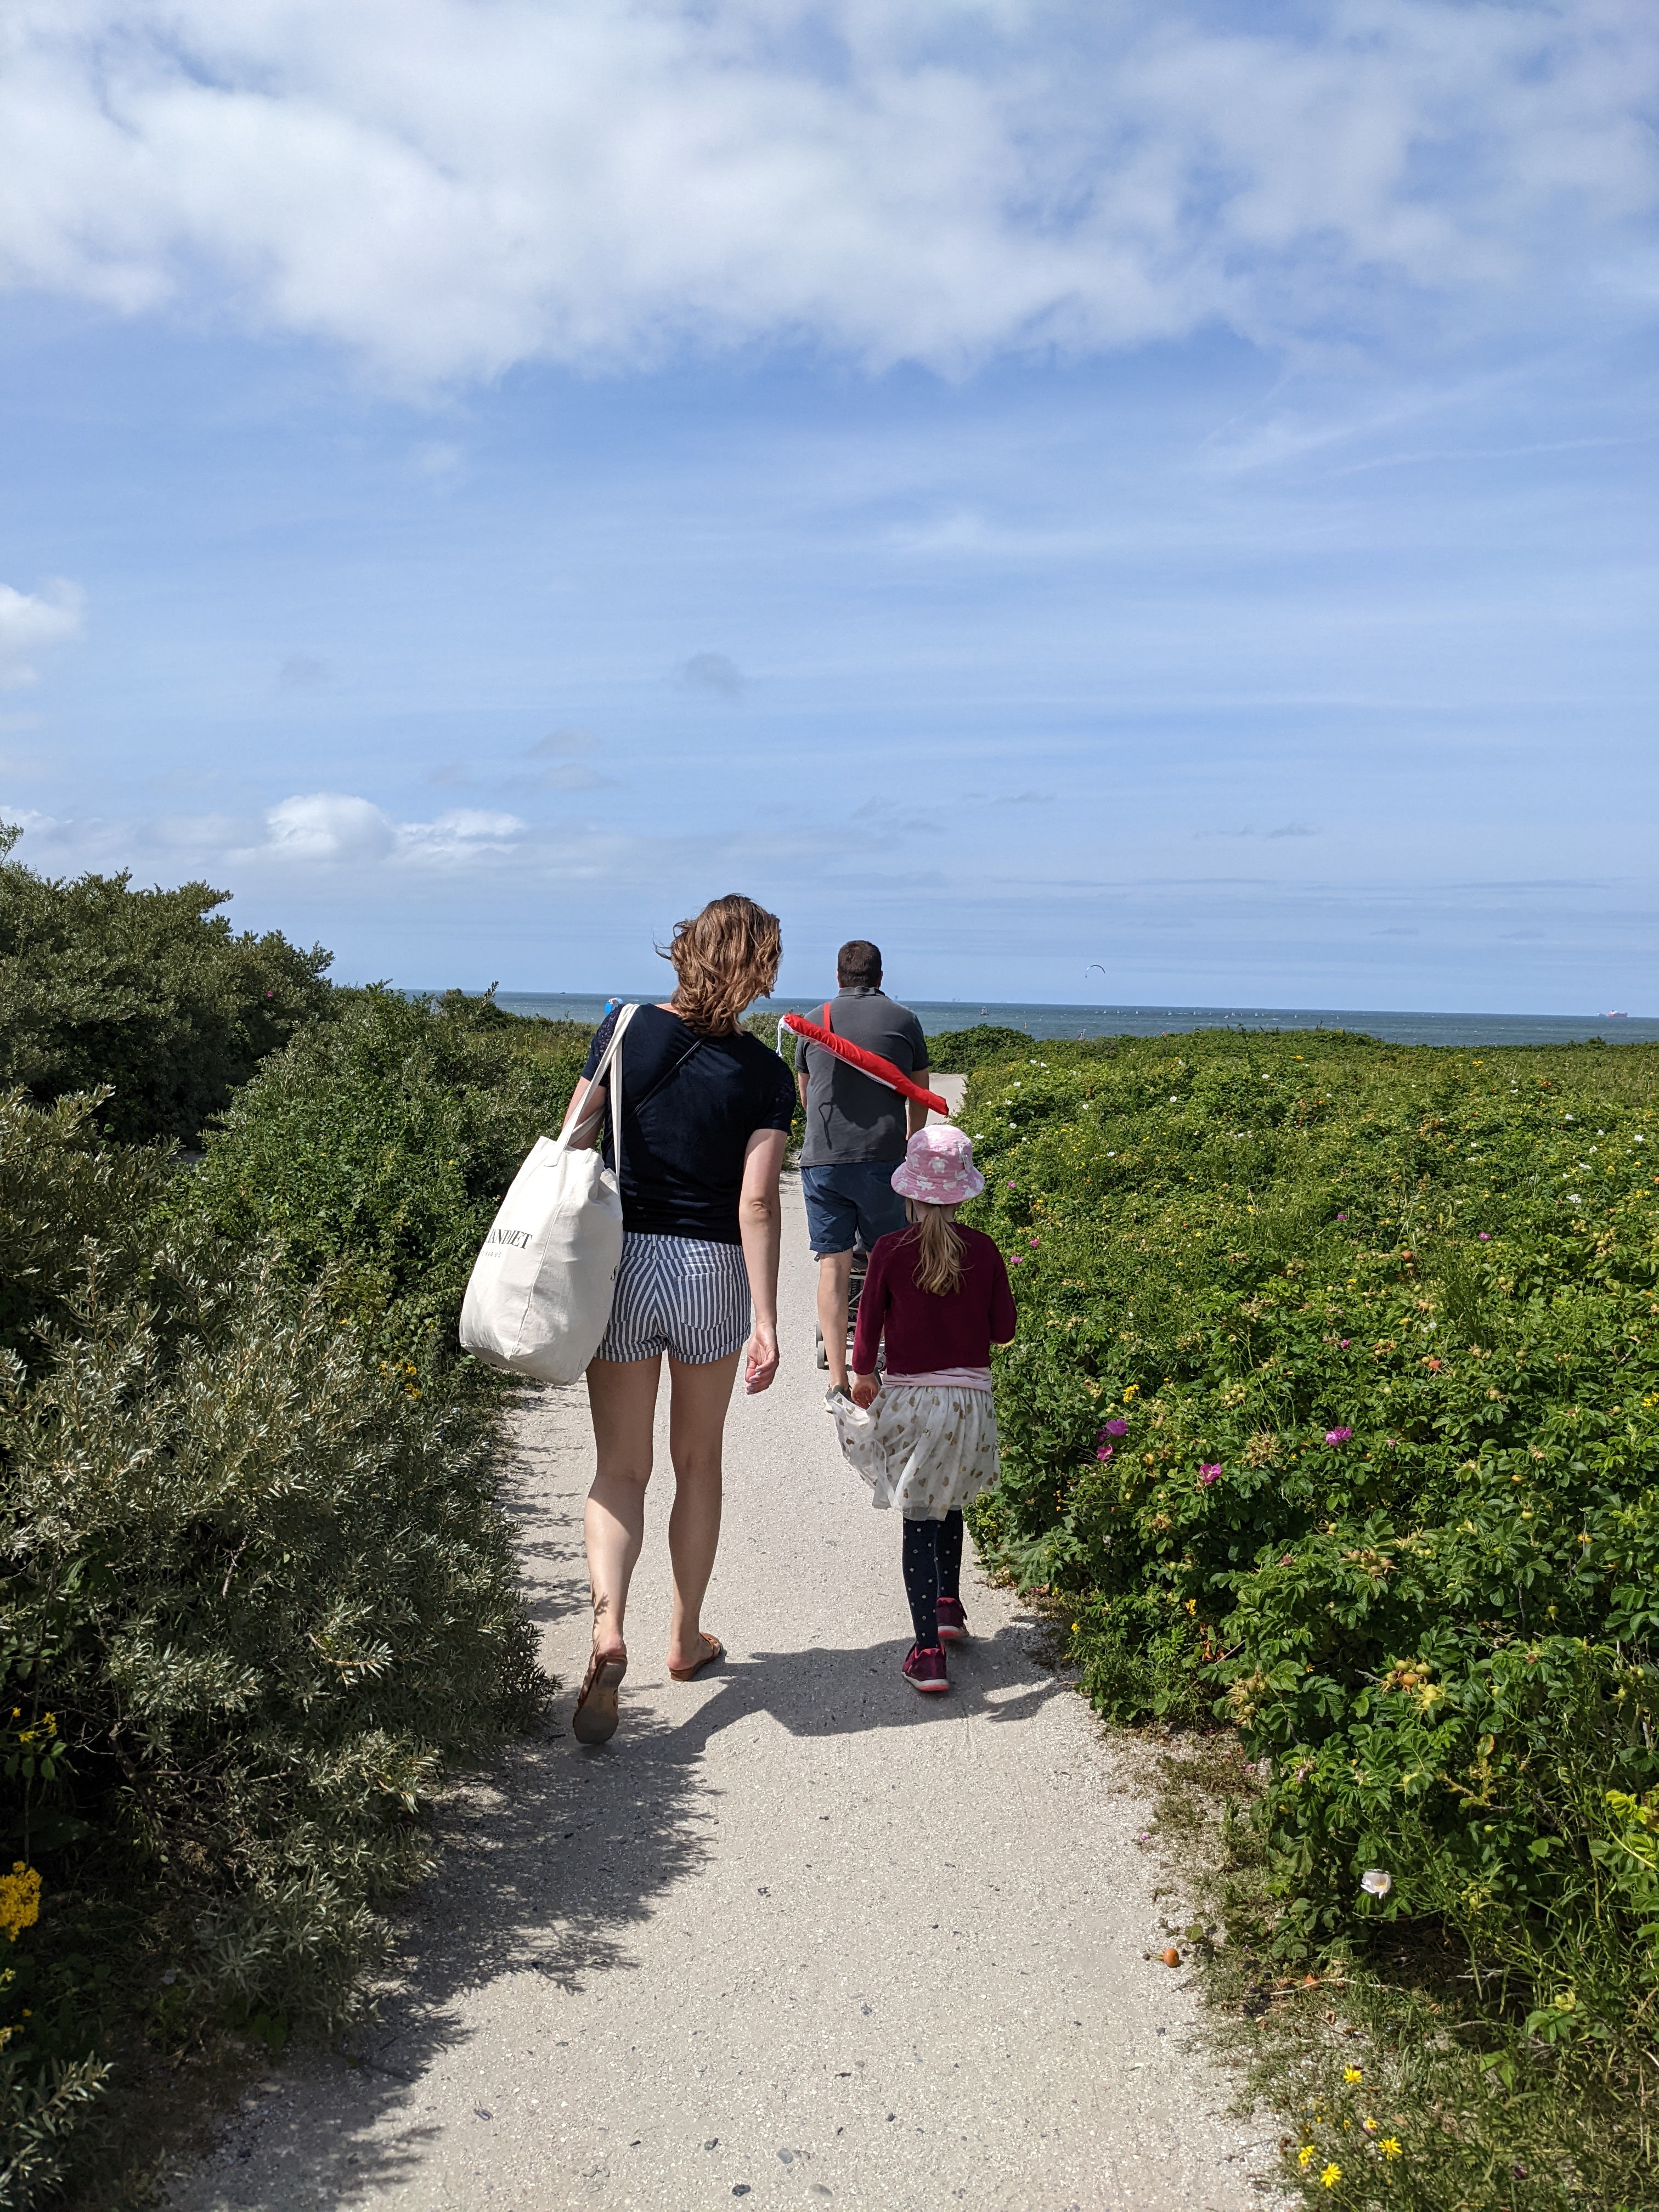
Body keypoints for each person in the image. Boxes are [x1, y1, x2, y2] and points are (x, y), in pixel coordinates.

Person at [561, 894, 795, 1746]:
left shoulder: (625, 1029)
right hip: (710, 1272)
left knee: (620, 1469)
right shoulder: (768, 1074)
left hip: (625, 1260)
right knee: (698, 1462)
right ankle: (686, 1637)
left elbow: (573, 1140)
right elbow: (758, 1202)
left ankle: (607, 1630)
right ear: (761, 970)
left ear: (686, 949)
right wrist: (766, 1318)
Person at [827, 1128, 1017, 1694]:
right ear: (963, 1195)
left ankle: (928, 1653)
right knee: (949, 1499)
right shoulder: (983, 1250)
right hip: (970, 1405)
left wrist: (863, 1374)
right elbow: (1003, 1330)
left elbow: (866, 1331)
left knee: (918, 1517)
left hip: (914, 1401)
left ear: (909, 1193)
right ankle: (948, 1606)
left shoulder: (889, 1249)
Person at [794, 940, 932, 1397]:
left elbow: (807, 1097)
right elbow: (919, 1091)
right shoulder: (904, 1019)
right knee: (883, 1263)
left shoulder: (813, 1020)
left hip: (824, 1159)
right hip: (882, 1159)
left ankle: (837, 1379)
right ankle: (875, 1365)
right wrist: (910, 1140)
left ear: (838, 977)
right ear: (880, 977)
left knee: (833, 1266)